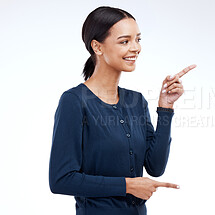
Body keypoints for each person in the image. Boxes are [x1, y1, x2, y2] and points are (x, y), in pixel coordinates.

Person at [48, 6, 196, 215]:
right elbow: (61, 180)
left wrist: (166, 108)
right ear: (97, 47)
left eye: (138, 39)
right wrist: (127, 186)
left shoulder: (136, 101)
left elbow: (155, 167)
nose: (135, 48)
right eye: (125, 41)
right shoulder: (74, 101)